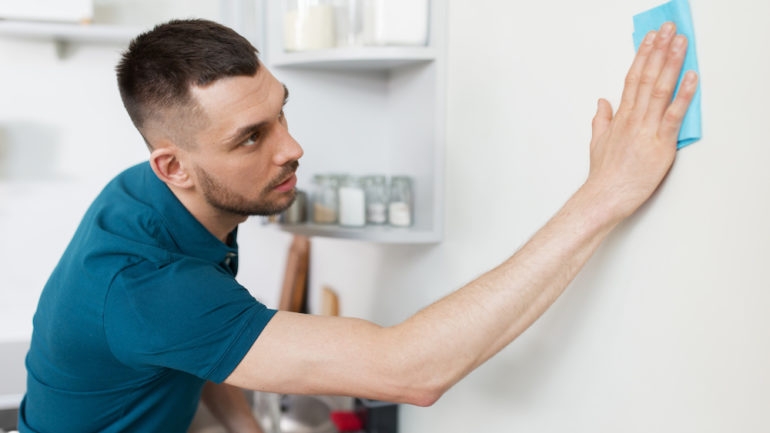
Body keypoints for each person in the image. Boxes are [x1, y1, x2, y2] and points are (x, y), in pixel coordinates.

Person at [19, 18, 697, 433]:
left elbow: (201, 343)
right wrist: (605, 191)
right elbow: (412, 370)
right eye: (251, 137)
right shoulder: (147, 284)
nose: (291, 147)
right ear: (175, 165)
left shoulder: (157, 201)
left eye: (281, 110)